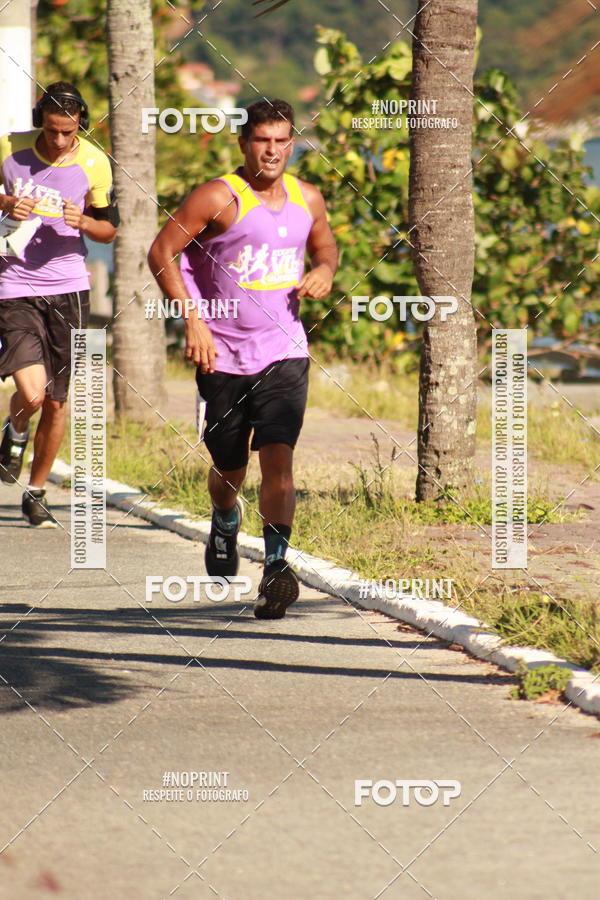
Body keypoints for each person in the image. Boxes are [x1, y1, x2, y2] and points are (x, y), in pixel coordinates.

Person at [148, 98, 337, 619]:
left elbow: (327, 249)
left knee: (278, 458)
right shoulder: (218, 196)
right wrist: (193, 320)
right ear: (244, 143)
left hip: (284, 351)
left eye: (281, 140)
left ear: (292, 143)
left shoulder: (308, 198)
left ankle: (276, 567)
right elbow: (161, 251)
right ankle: (225, 516)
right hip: (221, 354)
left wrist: (323, 271)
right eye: (261, 140)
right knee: (230, 466)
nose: (271, 151)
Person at [0, 82, 118, 526]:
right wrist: (8, 201)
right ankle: (13, 430)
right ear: (39, 124)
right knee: (32, 394)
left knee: (56, 401)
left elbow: (110, 230)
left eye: (69, 132)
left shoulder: (94, 162)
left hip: (70, 289)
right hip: (14, 282)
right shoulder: (9, 150)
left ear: (80, 127)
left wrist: (84, 221)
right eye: (52, 131)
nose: (61, 141)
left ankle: (36, 490)